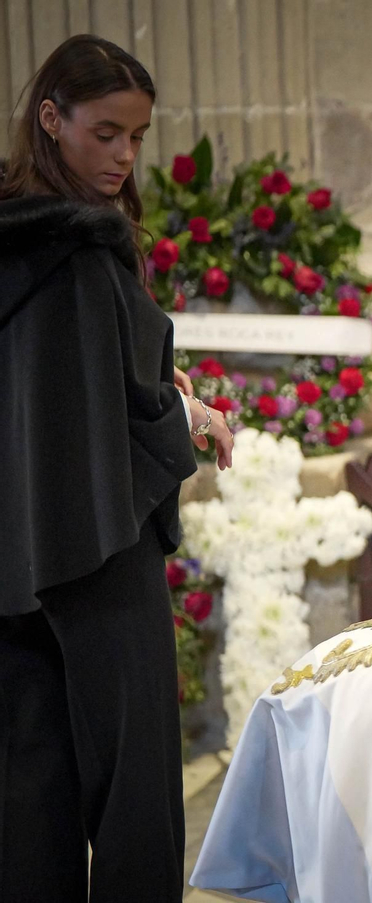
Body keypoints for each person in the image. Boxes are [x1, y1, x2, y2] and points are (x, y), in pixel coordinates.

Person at [0, 34, 234, 902]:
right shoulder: (84, 249)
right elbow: (117, 412)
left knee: (31, 789)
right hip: (99, 546)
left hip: (19, 553)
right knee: (136, 795)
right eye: (106, 133)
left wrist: (154, 384)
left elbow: (58, 388)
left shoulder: (17, 241)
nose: (124, 156)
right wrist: (190, 415)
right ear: (51, 119)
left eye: (136, 136)